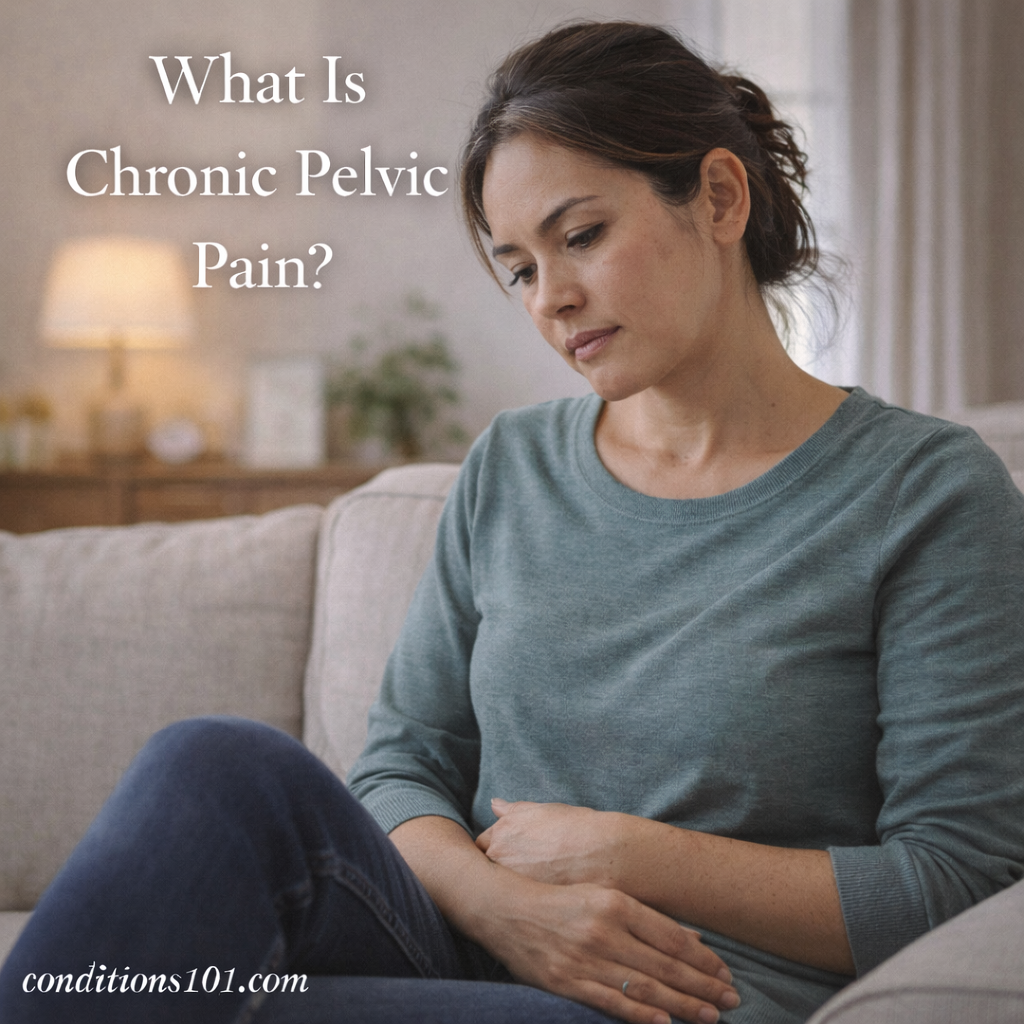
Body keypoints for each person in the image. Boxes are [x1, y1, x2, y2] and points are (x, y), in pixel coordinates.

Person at [2, 20, 1022, 1024]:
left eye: (581, 236)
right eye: (521, 268)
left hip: (674, 999)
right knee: (213, 765)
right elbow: (402, 765)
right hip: (454, 944)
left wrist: (628, 855)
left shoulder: (922, 493)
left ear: (718, 195)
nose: (552, 299)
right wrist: (508, 907)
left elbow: (957, 880)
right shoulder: (512, 466)